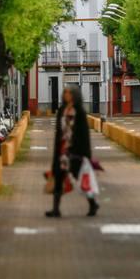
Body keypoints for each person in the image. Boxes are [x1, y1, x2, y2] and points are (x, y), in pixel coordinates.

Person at [47, 86, 98, 217]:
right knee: (58, 177)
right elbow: (59, 133)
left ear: (75, 95)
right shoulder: (62, 110)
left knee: (79, 177)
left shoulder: (80, 112)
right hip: (63, 150)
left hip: (76, 152)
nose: (66, 95)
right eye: (65, 92)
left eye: (69, 93)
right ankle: (55, 209)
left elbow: (84, 135)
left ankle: (93, 203)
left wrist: (86, 155)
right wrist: (56, 153)